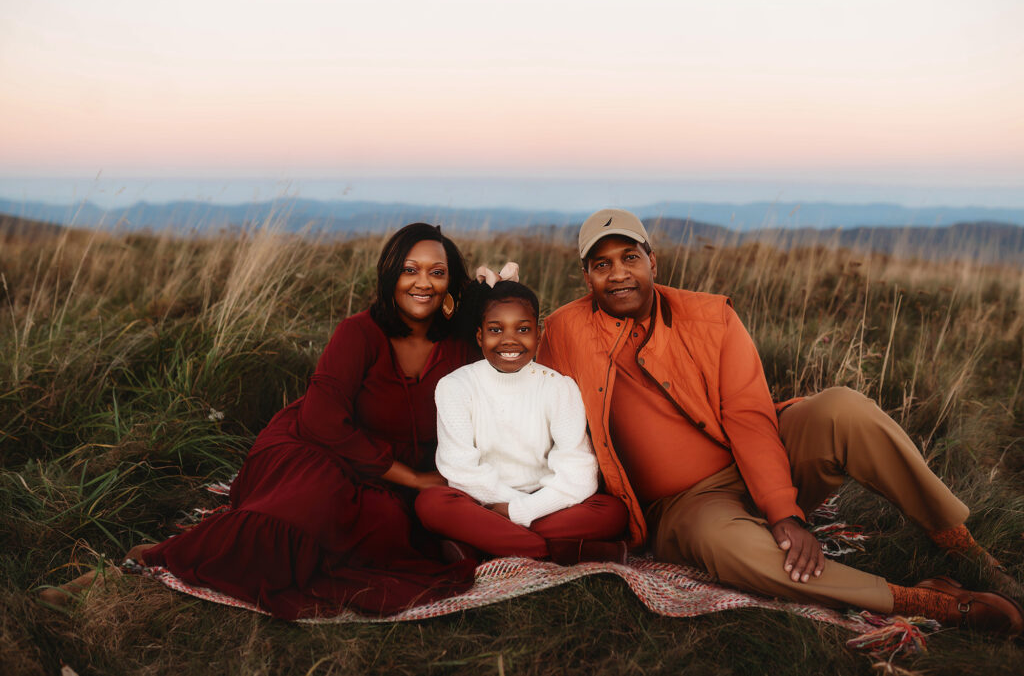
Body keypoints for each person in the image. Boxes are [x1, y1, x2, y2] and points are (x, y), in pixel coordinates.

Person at [536, 208, 1023, 634]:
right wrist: (479, 300)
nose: (618, 274)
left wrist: (785, 513)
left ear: (652, 261)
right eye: (602, 264)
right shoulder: (563, 332)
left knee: (843, 408)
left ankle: (962, 546)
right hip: (684, 507)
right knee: (731, 549)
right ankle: (923, 600)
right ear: (587, 275)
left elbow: (749, 416)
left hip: (759, 461)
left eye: (629, 258)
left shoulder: (709, 317)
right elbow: (507, 363)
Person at [42, 223, 496, 619]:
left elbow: (512, 331)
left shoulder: (460, 341)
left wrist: (489, 292)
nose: (423, 283)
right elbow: (322, 420)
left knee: (383, 528)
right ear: (390, 274)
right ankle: (147, 560)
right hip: (317, 448)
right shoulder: (359, 333)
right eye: (409, 270)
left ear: (451, 285)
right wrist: (415, 479)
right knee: (305, 513)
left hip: (383, 475)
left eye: (437, 273)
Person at [415, 281, 629, 564]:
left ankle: (483, 545)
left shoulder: (558, 386)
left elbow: (580, 471)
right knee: (431, 504)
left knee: (612, 512)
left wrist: (520, 511)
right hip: (481, 500)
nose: (509, 340)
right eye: (495, 329)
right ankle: (557, 550)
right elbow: (460, 469)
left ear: (538, 336)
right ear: (479, 336)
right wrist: (501, 504)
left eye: (523, 329)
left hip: (546, 503)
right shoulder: (455, 386)